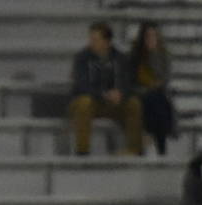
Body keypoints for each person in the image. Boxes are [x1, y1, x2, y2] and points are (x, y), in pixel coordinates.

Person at [69, 22, 144, 157]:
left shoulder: (121, 58)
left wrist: (120, 93)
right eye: (91, 39)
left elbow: (128, 83)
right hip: (92, 101)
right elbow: (81, 85)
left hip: (113, 103)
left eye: (96, 39)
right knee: (84, 103)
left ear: (107, 41)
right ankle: (82, 152)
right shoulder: (81, 58)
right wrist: (104, 95)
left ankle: (134, 150)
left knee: (134, 104)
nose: (91, 42)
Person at [130, 22, 176, 158]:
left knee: (158, 100)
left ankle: (154, 143)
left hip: (158, 96)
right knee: (154, 101)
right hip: (140, 94)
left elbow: (164, 79)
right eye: (148, 36)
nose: (151, 39)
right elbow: (131, 81)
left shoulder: (163, 56)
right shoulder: (135, 56)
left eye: (154, 36)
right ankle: (159, 148)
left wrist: (153, 55)